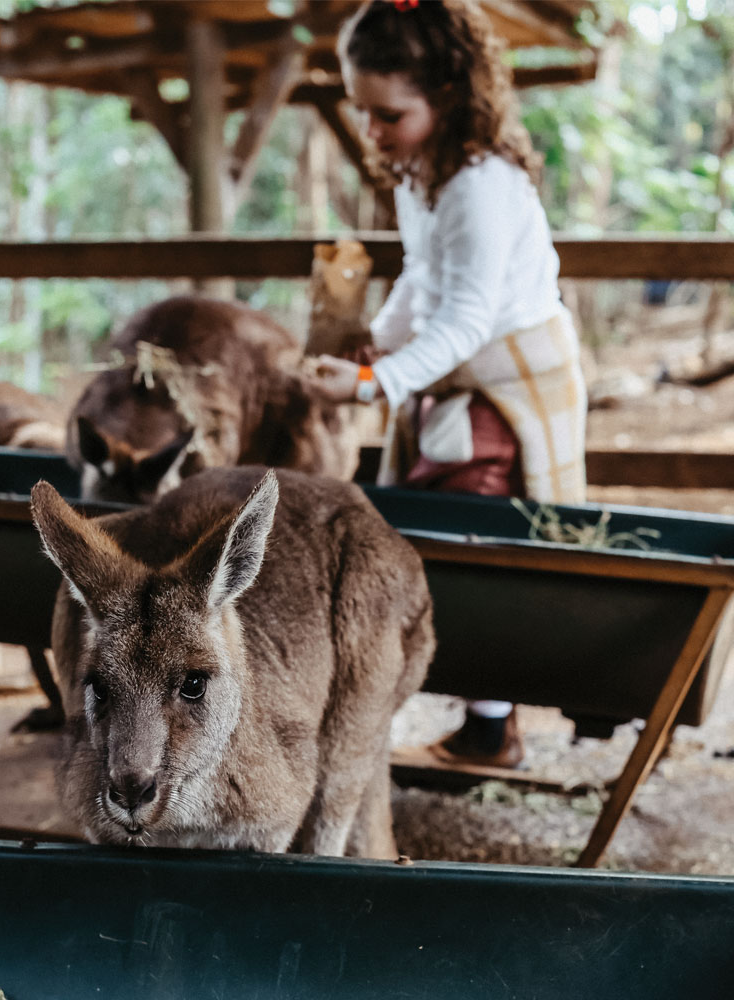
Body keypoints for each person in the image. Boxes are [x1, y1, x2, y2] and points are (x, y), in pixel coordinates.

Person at [308, 0, 588, 767]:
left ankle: (492, 725)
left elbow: (468, 316)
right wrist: (382, 343)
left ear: (449, 95)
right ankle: (480, 718)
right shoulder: (420, 171)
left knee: (479, 537)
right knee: (437, 533)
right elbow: (425, 276)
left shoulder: (481, 184)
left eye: (387, 114)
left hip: (505, 381)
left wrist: (373, 384)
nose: (371, 131)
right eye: (361, 111)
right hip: (450, 375)